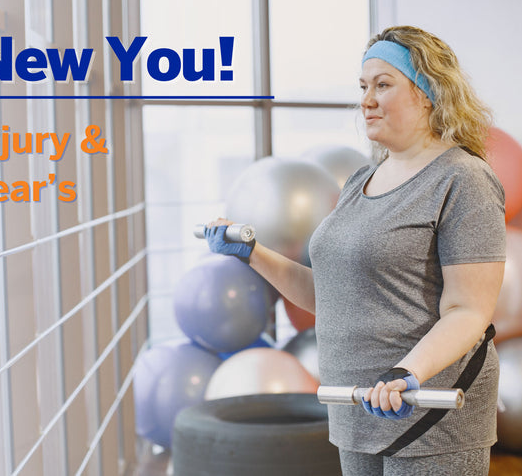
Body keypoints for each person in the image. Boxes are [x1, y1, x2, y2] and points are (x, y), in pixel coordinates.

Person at [204, 25, 506, 475]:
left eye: (383, 85)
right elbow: (329, 296)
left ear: (427, 92)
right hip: (356, 408)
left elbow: (468, 310)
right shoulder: (359, 183)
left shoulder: (463, 180)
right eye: (363, 87)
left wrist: (407, 373)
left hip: (427, 408)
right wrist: (251, 252)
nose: (366, 100)